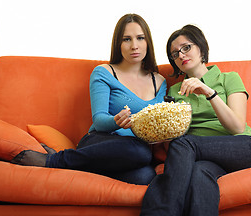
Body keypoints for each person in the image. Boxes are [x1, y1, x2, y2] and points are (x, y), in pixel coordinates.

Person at [10, 13, 167, 185]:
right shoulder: (104, 72)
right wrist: (116, 121)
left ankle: (76, 165)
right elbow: (99, 121)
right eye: (127, 39)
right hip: (101, 141)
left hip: (131, 155)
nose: (134, 46)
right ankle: (54, 161)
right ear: (118, 44)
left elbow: (158, 125)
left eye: (140, 38)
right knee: (140, 152)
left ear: (148, 42)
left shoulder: (159, 81)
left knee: (145, 177)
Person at [140, 25, 251, 215]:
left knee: (185, 143)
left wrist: (209, 92)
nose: (181, 55)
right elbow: (174, 136)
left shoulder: (228, 78)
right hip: (202, 159)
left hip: (244, 148)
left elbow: (238, 127)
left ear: (201, 47)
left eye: (186, 47)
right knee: (199, 174)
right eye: (175, 54)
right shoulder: (175, 91)